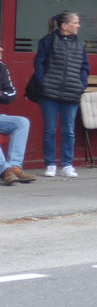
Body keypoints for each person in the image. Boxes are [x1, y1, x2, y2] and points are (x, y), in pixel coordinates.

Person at [34, 11, 89, 178]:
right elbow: (39, 63)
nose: (79, 26)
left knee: (69, 131)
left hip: (72, 92)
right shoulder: (47, 41)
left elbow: (84, 67)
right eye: (76, 23)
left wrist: (81, 84)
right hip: (49, 92)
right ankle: (50, 164)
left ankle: (67, 165)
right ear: (64, 25)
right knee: (50, 130)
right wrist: (42, 82)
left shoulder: (80, 44)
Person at [0, 47, 35, 185]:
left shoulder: (1, 67)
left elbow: (11, 94)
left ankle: (14, 166)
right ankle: (4, 169)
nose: (2, 49)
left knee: (22, 122)